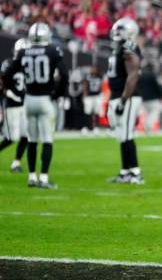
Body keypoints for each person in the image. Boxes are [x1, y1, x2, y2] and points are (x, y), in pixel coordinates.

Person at [1, 23, 68, 188]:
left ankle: (31, 177)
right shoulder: (52, 50)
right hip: (45, 99)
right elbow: (65, 75)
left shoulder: (23, 52)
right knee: (47, 140)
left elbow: (6, 74)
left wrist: (16, 91)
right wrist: (56, 95)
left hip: (29, 100)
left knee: (31, 140)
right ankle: (43, 178)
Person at [106, 17, 144, 185]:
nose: (117, 33)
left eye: (120, 30)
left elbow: (133, 75)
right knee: (122, 136)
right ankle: (125, 172)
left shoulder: (129, 47)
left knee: (127, 135)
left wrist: (123, 100)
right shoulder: (118, 48)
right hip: (118, 95)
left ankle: (135, 173)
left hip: (127, 97)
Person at [0, 38, 30, 172]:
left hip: (25, 103)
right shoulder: (8, 63)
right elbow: (2, 82)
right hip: (12, 104)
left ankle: (16, 163)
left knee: (26, 135)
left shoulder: (29, 65)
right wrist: (8, 93)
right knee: (12, 137)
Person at [82, 65, 104, 132]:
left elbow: (101, 86)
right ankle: (87, 127)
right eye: (92, 69)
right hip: (89, 96)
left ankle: (96, 127)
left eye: (94, 69)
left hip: (97, 96)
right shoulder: (87, 76)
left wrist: (101, 94)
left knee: (97, 112)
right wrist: (84, 95)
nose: (92, 70)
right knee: (87, 112)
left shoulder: (100, 76)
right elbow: (85, 85)